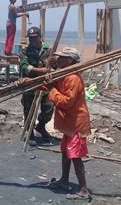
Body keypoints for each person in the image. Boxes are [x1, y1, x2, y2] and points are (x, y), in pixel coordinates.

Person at [45, 47, 92, 201]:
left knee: (75, 156)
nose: (58, 59)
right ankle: (64, 180)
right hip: (69, 123)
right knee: (66, 152)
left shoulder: (73, 78)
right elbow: (52, 86)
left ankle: (84, 189)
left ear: (70, 60)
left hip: (76, 123)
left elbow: (66, 101)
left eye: (61, 58)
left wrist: (51, 90)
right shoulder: (63, 74)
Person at [19, 26, 54, 144]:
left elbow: (53, 66)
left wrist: (50, 71)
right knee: (29, 110)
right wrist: (41, 71)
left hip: (45, 85)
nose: (32, 41)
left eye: (34, 38)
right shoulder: (25, 51)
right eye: (30, 39)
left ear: (40, 37)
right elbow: (24, 66)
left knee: (48, 107)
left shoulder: (48, 50)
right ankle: (30, 132)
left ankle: (41, 126)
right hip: (30, 84)